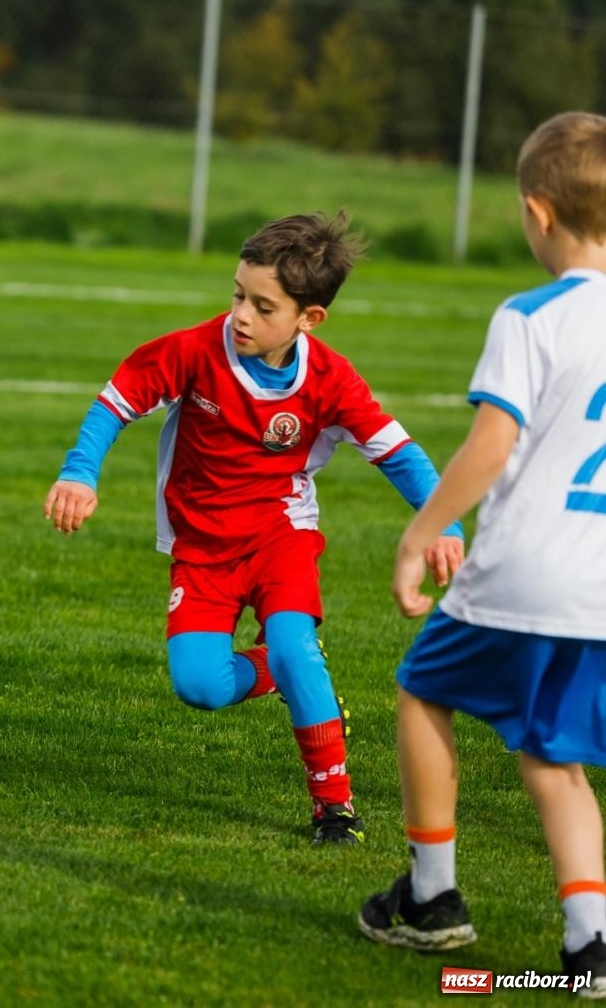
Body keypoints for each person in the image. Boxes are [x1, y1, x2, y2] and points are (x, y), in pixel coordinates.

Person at [43, 211, 465, 846]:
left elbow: (399, 454)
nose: (241, 314)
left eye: (263, 306)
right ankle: (289, 670)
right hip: (201, 546)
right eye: (238, 294)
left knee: (297, 643)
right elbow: (116, 401)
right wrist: (80, 474)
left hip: (280, 534)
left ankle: (334, 807)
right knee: (200, 686)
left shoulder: (330, 379)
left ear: (308, 318)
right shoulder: (193, 351)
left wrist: (443, 523)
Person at [357, 111, 606, 995]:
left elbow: (491, 446)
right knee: (554, 752)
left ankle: (431, 897)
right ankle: (591, 944)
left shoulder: (531, 314)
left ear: (539, 213)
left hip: (521, 572)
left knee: (423, 692)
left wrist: (421, 533)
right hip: (600, 591)